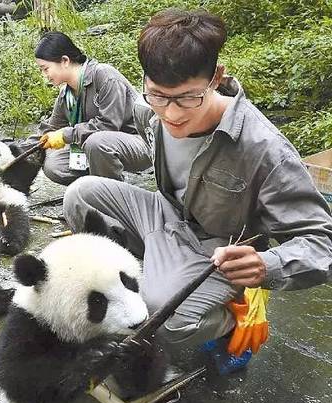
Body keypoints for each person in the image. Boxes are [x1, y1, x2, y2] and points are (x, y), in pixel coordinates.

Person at [62, 9, 332, 373]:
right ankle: (144, 278)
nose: (171, 114)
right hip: (164, 214)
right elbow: (136, 123)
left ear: (216, 77)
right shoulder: (151, 110)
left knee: (160, 319)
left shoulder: (264, 148)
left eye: (188, 99)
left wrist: (267, 265)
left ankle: (229, 320)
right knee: (80, 194)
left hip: (215, 248)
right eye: (158, 96)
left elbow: (321, 242)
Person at [23, 31, 151, 185]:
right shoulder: (66, 94)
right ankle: (97, 185)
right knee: (54, 165)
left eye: (45, 69)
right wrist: (16, 152)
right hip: (99, 147)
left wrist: (67, 134)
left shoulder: (104, 76)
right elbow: (51, 128)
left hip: (140, 143)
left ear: (65, 60)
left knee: (97, 142)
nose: (44, 75)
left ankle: (112, 193)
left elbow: (108, 126)